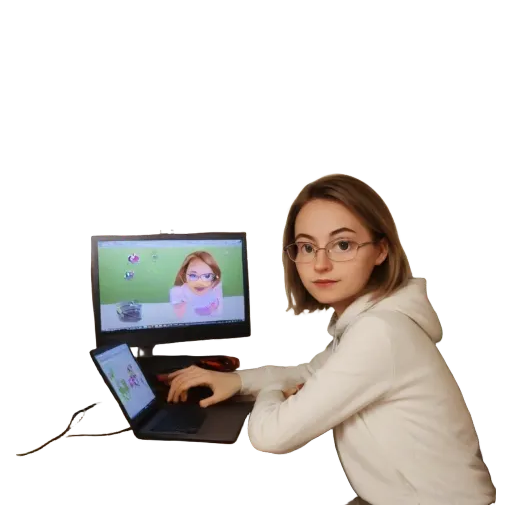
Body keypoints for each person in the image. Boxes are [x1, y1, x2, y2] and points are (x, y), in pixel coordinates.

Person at [163, 174, 496, 504]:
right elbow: (309, 374)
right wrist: (235, 380)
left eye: (343, 244)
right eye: (307, 247)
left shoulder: (380, 333)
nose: (320, 264)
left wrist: (270, 391)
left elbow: (271, 436)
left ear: (380, 250)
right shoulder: (366, 322)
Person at [169, 251, 223, 318]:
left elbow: (218, 313)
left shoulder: (216, 288)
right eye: (193, 275)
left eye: (207, 276)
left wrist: (212, 308)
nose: (199, 282)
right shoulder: (179, 292)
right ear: (184, 275)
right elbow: (180, 318)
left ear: (214, 277)